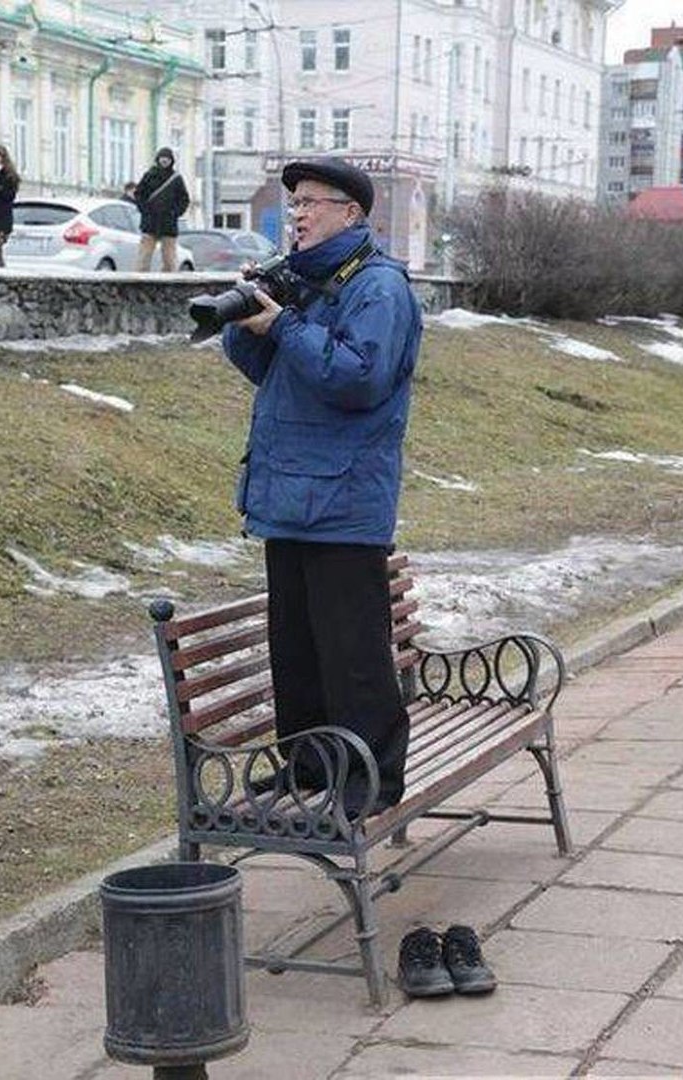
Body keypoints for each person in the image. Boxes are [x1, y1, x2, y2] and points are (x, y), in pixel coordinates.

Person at [222, 157, 423, 817]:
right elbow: (268, 370)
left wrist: (283, 324)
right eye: (295, 202)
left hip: (343, 501)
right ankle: (309, 769)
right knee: (297, 653)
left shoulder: (376, 288)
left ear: (351, 212)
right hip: (287, 496)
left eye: (312, 201)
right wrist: (250, 314)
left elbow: (358, 380)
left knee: (353, 657)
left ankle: (371, 781)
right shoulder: (303, 284)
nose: (298, 213)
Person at [133, 147, 189, 272]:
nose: (164, 161)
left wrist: (175, 213)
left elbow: (184, 199)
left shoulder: (176, 179)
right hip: (150, 221)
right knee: (144, 257)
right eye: (162, 158)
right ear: (158, 159)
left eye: (167, 159)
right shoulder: (149, 175)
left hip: (169, 223)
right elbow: (139, 194)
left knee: (170, 259)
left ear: (172, 161)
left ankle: (168, 284)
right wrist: (144, 210)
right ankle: (140, 282)